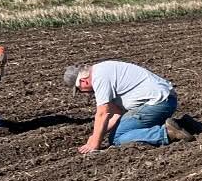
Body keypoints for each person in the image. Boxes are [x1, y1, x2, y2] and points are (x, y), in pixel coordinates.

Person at [62, 60, 194, 154]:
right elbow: (117, 114)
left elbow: (102, 114)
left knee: (117, 138)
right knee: (122, 129)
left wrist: (94, 145)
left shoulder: (99, 78)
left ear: (83, 81)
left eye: (79, 89)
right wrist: (96, 135)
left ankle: (165, 133)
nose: (83, 93)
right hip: (166, 101)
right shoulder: (103, 70)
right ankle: (185, 125)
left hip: (157, 103)